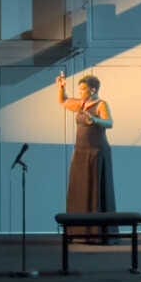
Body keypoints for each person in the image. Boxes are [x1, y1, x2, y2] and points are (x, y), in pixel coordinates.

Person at [56, 72, 118, 243]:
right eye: (80, 89)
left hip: (96, 153)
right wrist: (61, 87)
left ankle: (97, 234)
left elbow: (109, 123)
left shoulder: (101, 104)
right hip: (81, 153)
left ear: (93, 90)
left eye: (83, 89)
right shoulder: (81, 104)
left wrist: (95, 120)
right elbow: (63, 101)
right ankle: (78, 232)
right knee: (80, 191)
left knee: (95, 192)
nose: (80, 92)